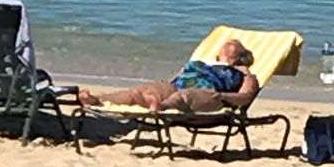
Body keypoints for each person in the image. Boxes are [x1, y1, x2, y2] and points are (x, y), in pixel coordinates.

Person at [78, 39, 260, 112]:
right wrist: (165, 86)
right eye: (226, 44)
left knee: (184, 96)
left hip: (209, 95)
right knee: (143, 90)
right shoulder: (207, 62)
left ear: (241, 56)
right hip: (177, 86)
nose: (229, 43)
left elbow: (245, 96)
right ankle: (97, 100)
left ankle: (160, 107)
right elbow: (180, 77)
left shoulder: (245, 74)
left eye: (234, 45)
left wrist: (221, 96)